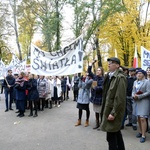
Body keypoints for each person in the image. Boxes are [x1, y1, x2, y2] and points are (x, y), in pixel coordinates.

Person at [100, 57, 126, 150]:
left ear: (117, 65)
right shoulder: (110, 76)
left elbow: (120, 98)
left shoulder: (120, 78)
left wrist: (113, 113)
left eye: (111, 63)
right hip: (109, 109)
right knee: (116, 133)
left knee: (111, 136)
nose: (109, 64)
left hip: (113, 111)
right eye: (109, 62)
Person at [132, 69, 150, 143]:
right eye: (137, 73)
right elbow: (133, 91)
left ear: (143, 74)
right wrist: (133, 96)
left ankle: (143, 135)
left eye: (140, 73)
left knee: (143, 118)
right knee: (138, 118)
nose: (138, 74)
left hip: (144, 102)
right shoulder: (135, 82)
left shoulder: (147, 81)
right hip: (136, 102)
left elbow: (149, 92)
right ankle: (140, 131)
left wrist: (139, 96)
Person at [88, 61, 104, 129]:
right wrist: (91, 64)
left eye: (99, 70)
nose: (97, 71)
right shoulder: (95, 77)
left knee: (101, 112)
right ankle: (97, 123)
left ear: (102, 71)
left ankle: (102, 124)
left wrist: (96, 88)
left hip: (100, 97)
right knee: (96, 111)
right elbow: (89, 71)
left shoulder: (103, 79)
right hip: (95, 97)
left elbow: (103, 87)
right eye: (97, 70)